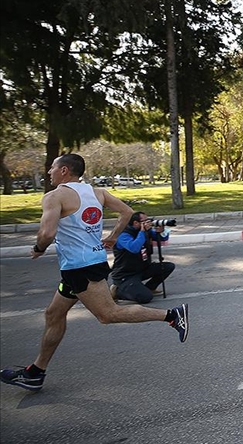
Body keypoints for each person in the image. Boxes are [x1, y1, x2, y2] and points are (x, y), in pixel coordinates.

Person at [0, 154, 188, 392]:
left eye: (52, 168)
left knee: (108, 314)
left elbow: (47, 233)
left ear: (64, 170)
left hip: (81, 268)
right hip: (83, 265)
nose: (49, 173)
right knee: (53, 314)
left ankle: (172, 316)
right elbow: (127, 212)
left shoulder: (54, 196)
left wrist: (38, 248)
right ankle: (35, 373)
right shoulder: (97, 193)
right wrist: (113, 236)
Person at [109, 211, 175, 304]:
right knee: (145, 298)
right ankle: (117, 291)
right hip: (126, 274)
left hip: (142, 268)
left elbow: (162, 238)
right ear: (136, 223)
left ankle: (149, 288)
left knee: (168, 267)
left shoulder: (144, 231)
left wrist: (161, 231)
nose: (148, 223)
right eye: (145, 221)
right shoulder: (123, 235)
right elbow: (134, 248)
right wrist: (142, 232)